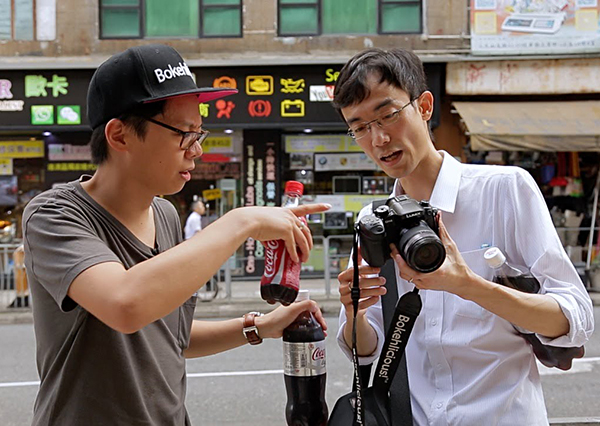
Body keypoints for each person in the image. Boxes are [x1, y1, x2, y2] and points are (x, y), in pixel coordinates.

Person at [22, 44, 330, 426]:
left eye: (199, 133)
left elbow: (169, 337)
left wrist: (257, 327)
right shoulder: (54, 214)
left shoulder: (165, 214)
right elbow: (125, 305)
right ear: (119, 135)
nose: (197, 150)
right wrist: (241, 222)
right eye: (184, 134)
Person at [333, 48, 594, 425]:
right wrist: (354, 310)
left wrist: (467, 284)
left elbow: (575, 319)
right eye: (359, 127)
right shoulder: (374, 219)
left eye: (387, 115)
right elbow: (366, 350)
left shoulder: (504, 190)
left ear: (423, 106)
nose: (377, 138)